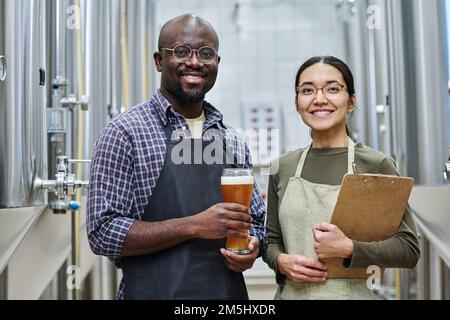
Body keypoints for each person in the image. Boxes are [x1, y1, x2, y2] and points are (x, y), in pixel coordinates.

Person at [86, 14, 266, 300]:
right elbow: (103, 232)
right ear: (159, 61)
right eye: (181, 52)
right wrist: (194, 225)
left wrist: (254, 247)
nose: (194, 62)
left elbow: (256, 220)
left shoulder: (232, 139)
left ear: (217, 62)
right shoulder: (124, 132)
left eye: (206, 54)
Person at [263, 56, 420, 300]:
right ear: (297, 103)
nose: (319, 99)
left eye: (333, 89)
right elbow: (272, 240)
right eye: (307, 90)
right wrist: (280, 261)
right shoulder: (282, 167)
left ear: (351, 101)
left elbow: (408, 249)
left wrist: (349, 248)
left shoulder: (376, 164)